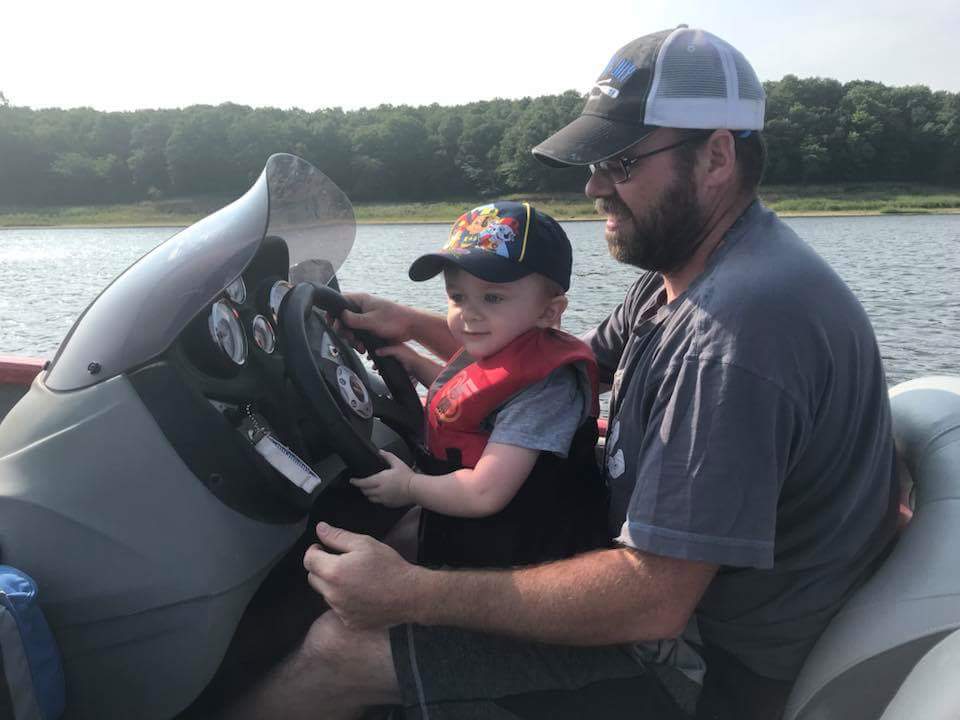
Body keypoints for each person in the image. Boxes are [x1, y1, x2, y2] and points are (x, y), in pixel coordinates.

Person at [233, 26, 899, 720]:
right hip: (671, 599)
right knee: (395, 538)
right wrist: (413, 322)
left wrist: (411, 594)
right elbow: (546, 361)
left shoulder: (737, 333)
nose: (593, 186)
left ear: (717, 157)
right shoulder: (687, 274)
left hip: (706, 669)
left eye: (619, 162)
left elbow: (654, 601)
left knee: (341, 651)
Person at [351, 200, 608, 569]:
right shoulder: (503, 345)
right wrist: (416, 363)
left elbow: (485, 492)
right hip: (476, 531)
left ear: (548, 312)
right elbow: (470, 402)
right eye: (457, 297)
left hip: (525, 560)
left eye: (492, 297)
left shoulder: (546, 390)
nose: (469, 313)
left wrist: (407, 487)